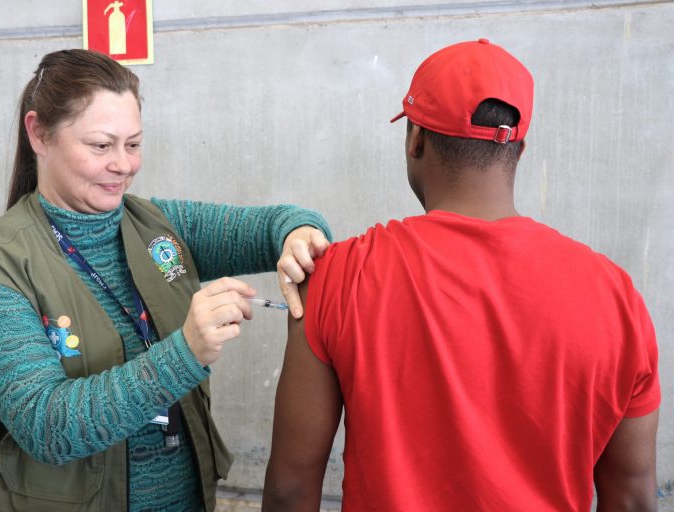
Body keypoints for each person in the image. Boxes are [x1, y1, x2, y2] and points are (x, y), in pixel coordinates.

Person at [262, 39, 660, 511]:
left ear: (416, 140)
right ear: (519, 150)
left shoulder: (337, 277)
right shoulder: (615, 297)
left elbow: (290, 490)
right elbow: (633, 498)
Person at [0, 49, 332, 512]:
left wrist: (300, 232)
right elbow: (48, 427)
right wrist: (185, 352)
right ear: (38, 133)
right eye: (101, 146)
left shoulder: (158, 227)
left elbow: (274, 225)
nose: (124, 164)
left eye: (134, 144)